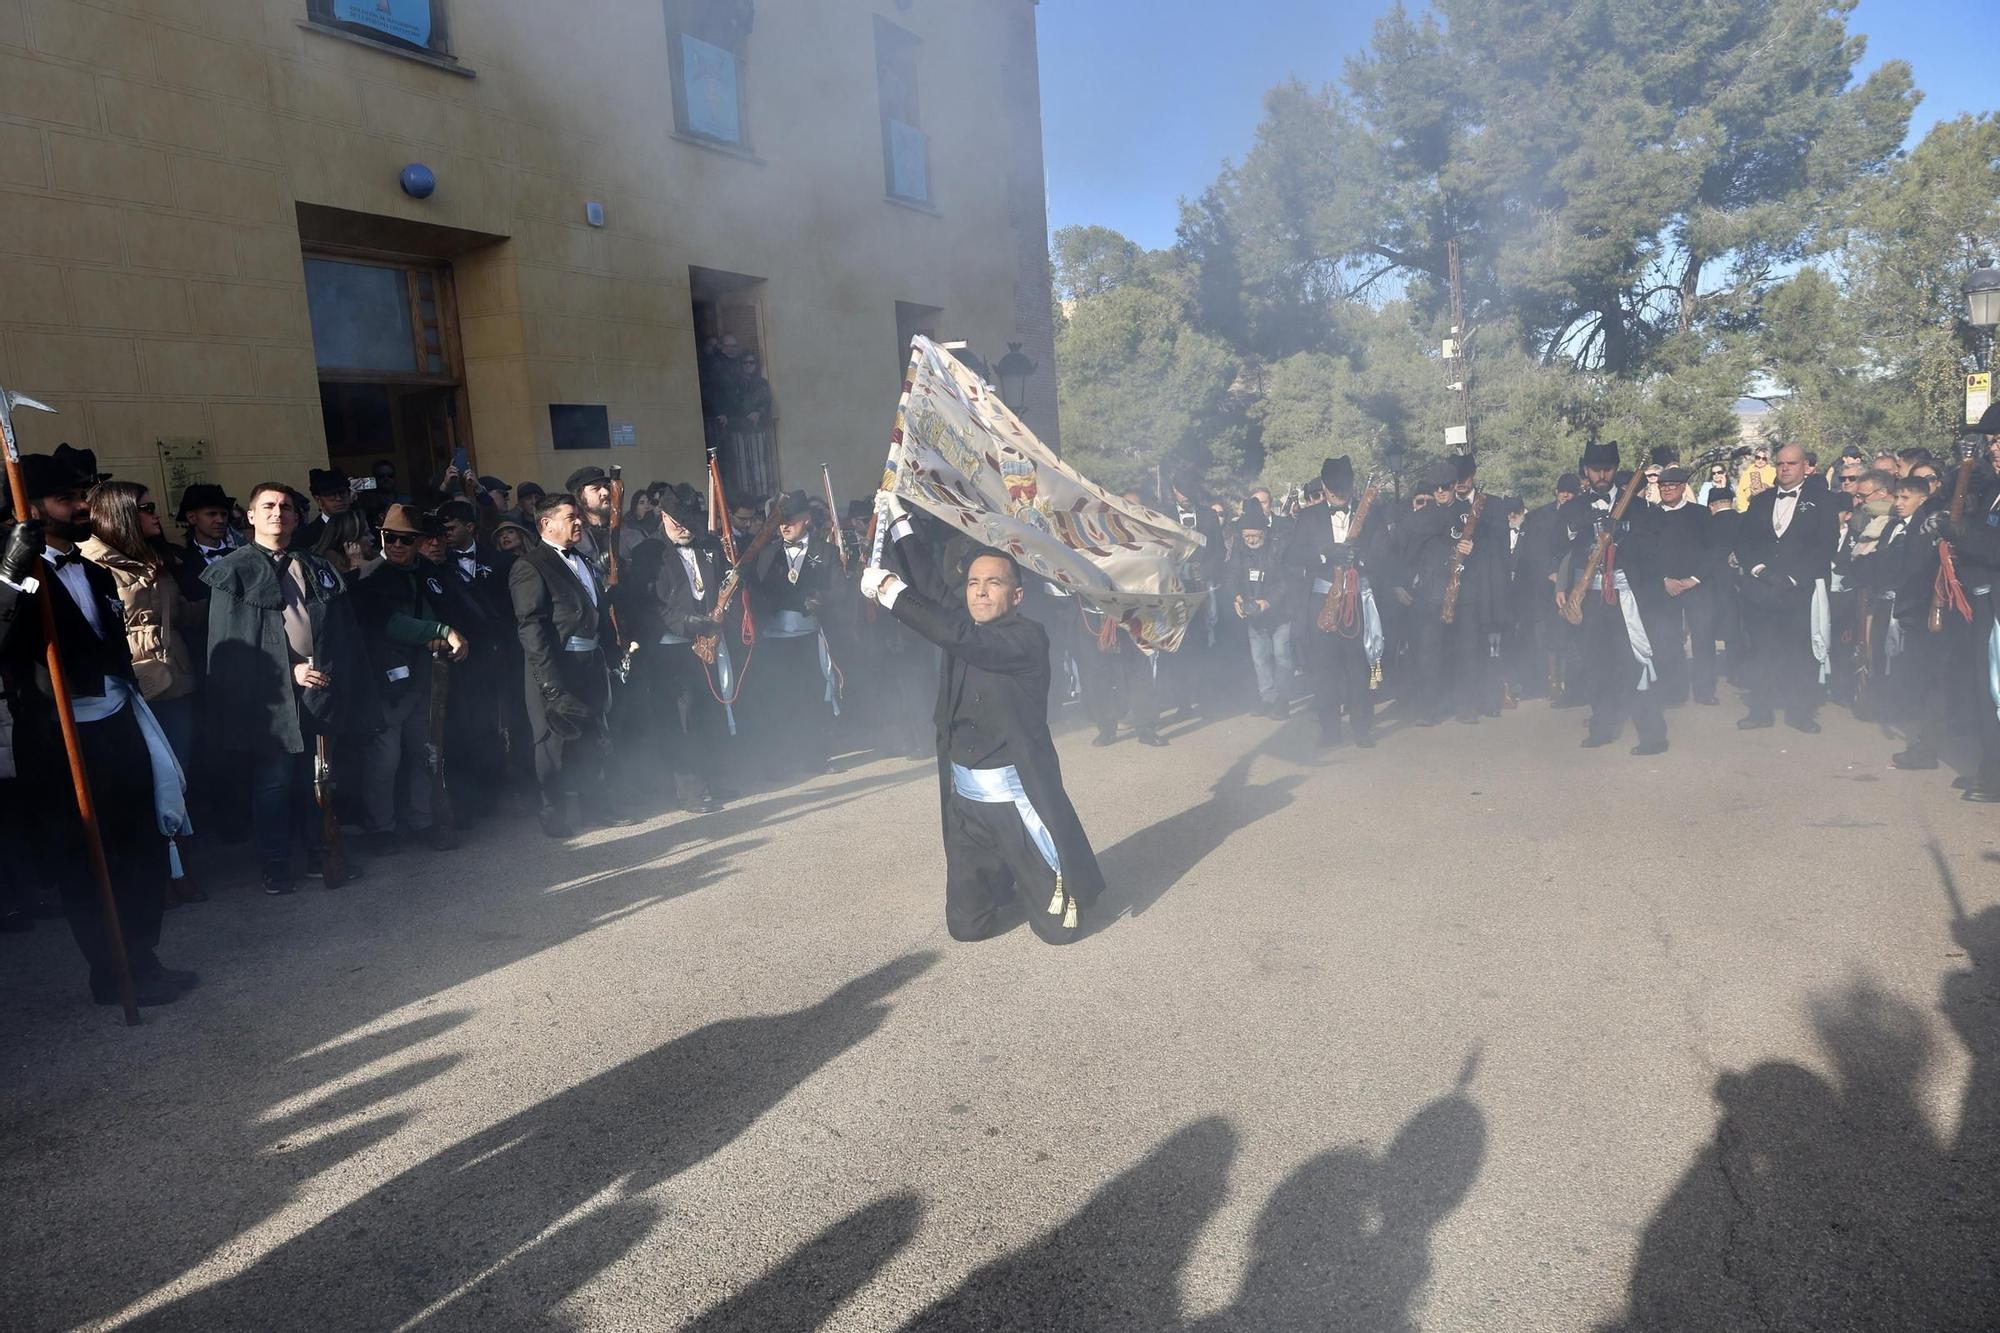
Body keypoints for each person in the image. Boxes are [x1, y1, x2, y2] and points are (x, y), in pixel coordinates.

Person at [861, 497, 1103, 944]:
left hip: (1015, 801)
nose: (980, 591)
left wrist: (892, 592)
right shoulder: (967, 620)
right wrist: (899, 523)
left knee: (1059, 932)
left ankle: (1040, 876)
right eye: (973, 583)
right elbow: (934, 594)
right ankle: (1005, 881)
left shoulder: (1028, 638)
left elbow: (959, 635)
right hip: (966, 804)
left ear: (1017, 595)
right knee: (966, 929)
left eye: (994, 583)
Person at [0, 454, 189, 1006]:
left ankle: (143, 957)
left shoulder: (93, 567)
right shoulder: (13, 570)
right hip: (60, 737)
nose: (85, 506)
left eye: (85, 494)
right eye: (68, 499)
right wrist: (11, 572)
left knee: (140, 842)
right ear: (28, 507)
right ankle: (111, 971)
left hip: (116, 721)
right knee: (88, 856)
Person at [203, 482, 376, 893]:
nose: (277, 513)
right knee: (274, 781)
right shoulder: (234, 570)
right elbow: (235, 645)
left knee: (316, 777)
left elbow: (340, 628)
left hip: (320, 688)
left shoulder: (315, 565)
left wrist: (330, 669)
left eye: (285, 507)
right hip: (269, 696)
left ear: (298, 518)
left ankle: (322, 851)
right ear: (249, 516)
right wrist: (290, 669)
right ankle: (275, 862)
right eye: (267, 506)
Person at [510, 493, 628, 837]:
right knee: (552, 743)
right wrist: (549, 682)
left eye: (578, 516)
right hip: (556, 665)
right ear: (546, 523)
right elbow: (531, 627)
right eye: (570, 517)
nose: (578, 522)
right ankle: (553, 814)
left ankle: (595, 807)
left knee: (592, 735)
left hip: (589, 661)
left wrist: (613, 652)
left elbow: (598, 610)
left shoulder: (584, 560)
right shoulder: (530, 565)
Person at [353, 505, 469, 852]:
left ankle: (422, 820)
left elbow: (442, 609)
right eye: (390, 537)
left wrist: (445, 634)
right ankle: (381, 827)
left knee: (425, 753)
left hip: (426, 676)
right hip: (386, 681)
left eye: (406, 539)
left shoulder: (427, 574)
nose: (397, 544)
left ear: (419, 541)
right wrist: (440, 630)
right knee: (384, 760)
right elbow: (388, 623)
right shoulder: (371, 576)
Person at [1557, 440, 1668, 755]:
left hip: (1626, 596)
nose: (1602, 475)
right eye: (1595, 469)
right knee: (1596, 664)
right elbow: (1557, 545)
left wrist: (1623, 533)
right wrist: (1580, 527)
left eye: (1607, 468)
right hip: (1589, 600)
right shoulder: (1573, 508)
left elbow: (1652, 549)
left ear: (1616, 469)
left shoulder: (1635, 505)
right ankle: (1602, 728)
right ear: (1586, 472)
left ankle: (1652, 734)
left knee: (1637, 662)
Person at [1732, 443, 1839, 733]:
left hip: (1799, 590)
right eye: (1780, 464)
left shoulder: (1824, 500)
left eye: (1791, 463)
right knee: (1761, 651)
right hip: (1761, 589)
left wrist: (1794, 578)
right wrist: (1760, 571)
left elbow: (1826, 546)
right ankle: (1760, 711)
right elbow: (1743, 542)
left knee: (1799, 653)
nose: (1785, 469)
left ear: (1805, 466)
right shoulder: (1762, 500)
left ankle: (1800, 713)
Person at [747, 489, 840, 775]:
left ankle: (814, 757)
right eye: (781, 521)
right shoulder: (766, 553)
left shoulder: (826, 551)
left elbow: (839, 590)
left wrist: (822, 599)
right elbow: (755, 592)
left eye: (791, 520)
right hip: (774, 639)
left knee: (811, 697)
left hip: (808, 637)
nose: (785, 526)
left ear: (807, 519)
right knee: (776, 699)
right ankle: (777, 761)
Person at [1287, 456, 1378, 744]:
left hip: (1358, 599)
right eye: (1333, 489)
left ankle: (1362, 729)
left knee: (1358, 667)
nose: (1339, 494)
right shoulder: (1308, 517)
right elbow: (1291, 556)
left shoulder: (1371, 515)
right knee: (1324, 669)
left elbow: (1385, 552)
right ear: (1324, 488)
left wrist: (1359, 558)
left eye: (1344, 487)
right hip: (1321, 599)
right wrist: (1326, 555)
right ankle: (1329, 730)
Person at [1633, 466, 1719, 707]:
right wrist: (1663, 580)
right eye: (1662, 486)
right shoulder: (1649, 517)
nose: (1667, 489)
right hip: (1665, 587)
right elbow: (1645, 554)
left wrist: (1695, 579)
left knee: (1703, 639)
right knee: (1667, 640)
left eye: (1672, 485)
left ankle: (1705, 690)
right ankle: (1674, 691)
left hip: (1698, 586)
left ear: (1683, 487)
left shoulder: (1701, 514)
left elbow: (1713, 550)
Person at [1227, 496, 1295, 720]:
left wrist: (1268, 602)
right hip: (1253, 615)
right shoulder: (1239, 548)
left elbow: (1286, 581)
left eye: (1254, 535)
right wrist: (1237, 598)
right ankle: (1268, 698)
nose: (1250, 539)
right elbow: (1232, 575)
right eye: (1246, 535)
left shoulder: (1279, 549)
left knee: (1282, 656)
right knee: (1260, 658)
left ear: (1264, 534)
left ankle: (1283, 699)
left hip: (1279, 613)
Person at [297, 468, 353, 551]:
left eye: (342, 492)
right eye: (331, 495)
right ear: (318, 500)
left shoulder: (362, 524)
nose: (338, 498)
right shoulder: (307, 535)